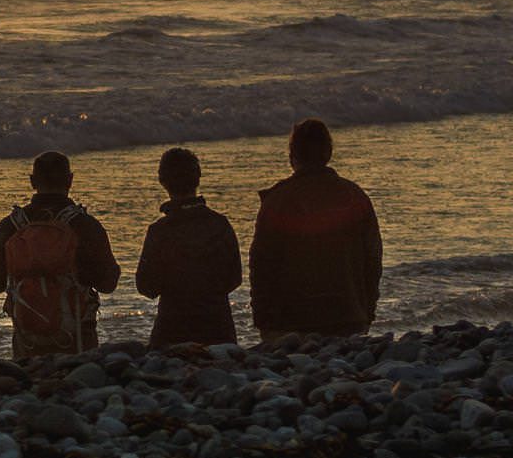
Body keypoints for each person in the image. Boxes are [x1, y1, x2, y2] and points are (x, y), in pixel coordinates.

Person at [248, 118, 382, 342]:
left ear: (293, 156)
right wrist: (366, 311)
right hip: (347, 317)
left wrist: (263, 319)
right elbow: (373, 260)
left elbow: (261, 267)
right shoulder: (354, 195)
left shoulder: (277, 201)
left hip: (291, 323)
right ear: (328, 153)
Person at [0, 151, 120, 358]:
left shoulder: (11, 226)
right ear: (70, 180)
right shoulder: (84, 225)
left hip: (26, 342)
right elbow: (108, 283)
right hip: (77, 342)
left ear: (32, 181)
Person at [134, 147, 242, 347]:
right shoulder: (220, 224)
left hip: (172, 329)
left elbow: (146, 286)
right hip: (218, 329)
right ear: (198, 177)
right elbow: (234, 278)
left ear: (162, 181)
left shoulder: (160, 231)